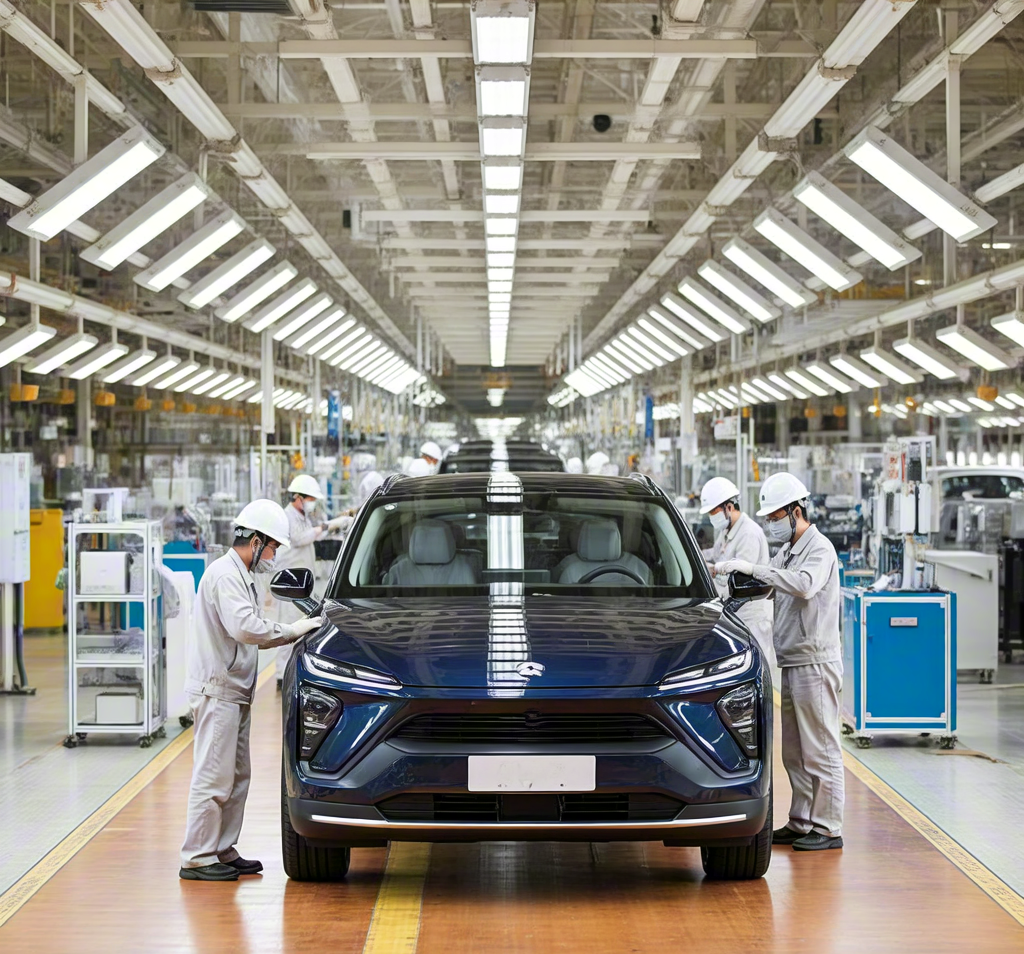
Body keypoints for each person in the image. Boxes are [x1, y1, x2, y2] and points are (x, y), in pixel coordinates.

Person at [180, 499, 324, 881]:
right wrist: (292, 631)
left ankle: (222, 849)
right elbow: (245, 628)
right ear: (256, 541)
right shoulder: (225, 576)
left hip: (235, 691)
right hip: (218, 691)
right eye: (273, 547)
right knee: (213, 777)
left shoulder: (241, 575)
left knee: (236, 776)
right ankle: (197, 857)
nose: (273, 556)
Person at [716, 473, 844, 853]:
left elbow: (803, 585)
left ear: (795, 511)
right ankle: (802, 820)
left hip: (815, 662)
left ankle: (829, 827)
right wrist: (729, 589)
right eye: (769, 518)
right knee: (794, 751)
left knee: (820, 748)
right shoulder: (788, 550)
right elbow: (769, 585)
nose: (771, 524)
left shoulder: (819, 549)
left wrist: (753, 567)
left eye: (775, 517)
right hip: (791, 659)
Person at [275, 475, 348, 687]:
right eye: (309, 498)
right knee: (288, 627)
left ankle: (292, 670)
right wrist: (326, 526)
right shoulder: (288, 517)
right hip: (291, 582)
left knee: (301, 626)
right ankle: (281, 675)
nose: (312, 503)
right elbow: (301, 538)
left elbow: (310, 536)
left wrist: (331, 527)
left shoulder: (302, 516)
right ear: (297, 497)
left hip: (303, 581)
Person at [699, 477, 775, 668]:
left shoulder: (748, 534)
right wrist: (695, 555)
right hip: (735, 614)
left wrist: (714, 571)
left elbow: (739, 577)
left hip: (752, 618)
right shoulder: (726, 530)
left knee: (756, 668)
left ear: (729, 507)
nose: (712, 517)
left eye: (714, 512)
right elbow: (717, 554)